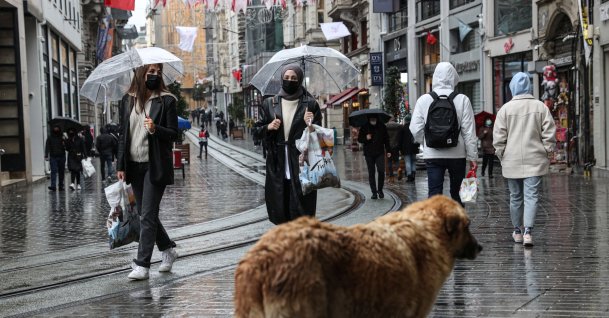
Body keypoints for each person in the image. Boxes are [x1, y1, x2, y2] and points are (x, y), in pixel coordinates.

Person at [116, 63, 179, 280]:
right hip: (134, 165)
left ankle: (142, 264)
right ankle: (168, 249)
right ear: (141, 73)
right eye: (151, 72)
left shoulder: (167, 100)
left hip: (155, 166)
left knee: (148, 215)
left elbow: (173, 134)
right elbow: (123, 135)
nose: (155, 75)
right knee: (145, 214)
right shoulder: (128, 100)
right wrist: (120, 165)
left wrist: (155, 129)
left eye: (158, 72)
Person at [253, 64, 322, 225]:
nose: (289, 80)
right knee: (279, 201)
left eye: (294, 78)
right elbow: (256, 131)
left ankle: (301, 239)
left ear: (299, 80)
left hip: (301, 160)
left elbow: (319, 137)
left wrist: (310, 124)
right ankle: (285, 237)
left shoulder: (310, 104)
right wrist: (268, 127)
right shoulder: (270, 103)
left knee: (302, 204)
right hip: (277, 161)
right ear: (281, 78)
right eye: (287, 77)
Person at [493, 72, 556, 247]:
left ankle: (517, 231)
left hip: (511, 159)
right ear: (529, 86)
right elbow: (549, 132)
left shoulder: (505, 109)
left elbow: (499, 136)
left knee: (515, 196)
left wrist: (501, 153)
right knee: (532, 196)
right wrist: (547, 150)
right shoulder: (540, 107)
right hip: (535, 158)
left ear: (512, 88)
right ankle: (528, 231)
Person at [409, 62, 478, 206]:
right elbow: (469, 132)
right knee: (458, 193)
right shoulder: (463, 99)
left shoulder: (424, 100)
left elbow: (415, 128)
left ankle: (436, 226)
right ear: (454, 77)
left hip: (433, 155)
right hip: (457, 154)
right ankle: (458, 225)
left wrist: (427, 141)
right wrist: (473, 157)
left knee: (434, 194)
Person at [358, 115, 392, 199]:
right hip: (369, 153)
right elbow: (360, 139)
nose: (373, 120)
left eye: (374, 118)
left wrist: (388, 150)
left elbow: (386, 139)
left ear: (377, 118)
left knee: (381, 170)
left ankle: (380, 190)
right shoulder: (364, 127)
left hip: (379, 152)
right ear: (369, 119)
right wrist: (366, 138)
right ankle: (374, 192)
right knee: (371, 172)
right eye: (371, 119)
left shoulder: (382, 126)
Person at [45, 125, 66, 191]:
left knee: (61, 171)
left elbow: (67, 146)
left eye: (57, 127)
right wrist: (46, 155)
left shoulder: (62, 137)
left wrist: (64, 141)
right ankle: (53, 185)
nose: (56, 128)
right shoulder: (50, 137)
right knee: (53, 171)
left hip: (61, 156)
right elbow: (47, 146)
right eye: (55, 127)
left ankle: (61, 185)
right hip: (53, 156)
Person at [399, 113, 419, 182]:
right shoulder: (414, 128)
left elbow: (400, 140)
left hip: (406, 148)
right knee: (413, 161)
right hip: (414, 148)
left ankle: (409, 175)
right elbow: (417, 137)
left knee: (407, 162)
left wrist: (400, 149)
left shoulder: (403, 128)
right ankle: (413, 174)